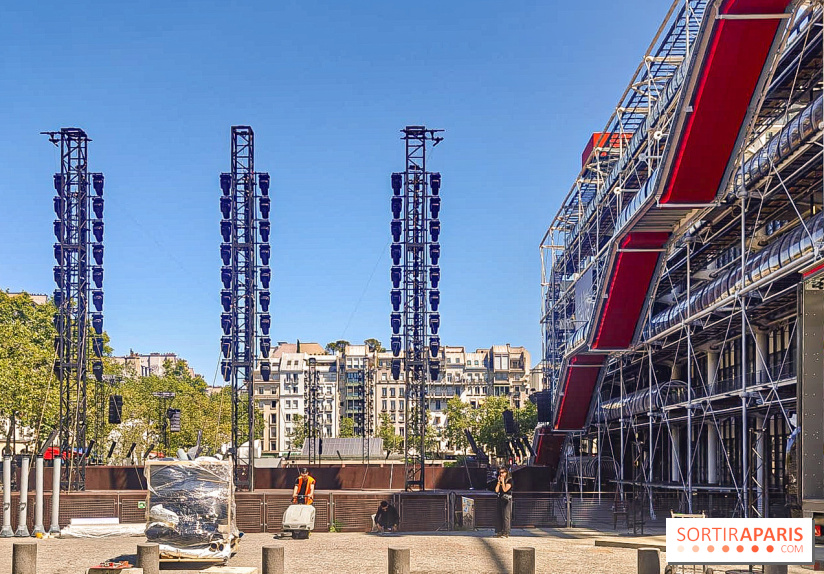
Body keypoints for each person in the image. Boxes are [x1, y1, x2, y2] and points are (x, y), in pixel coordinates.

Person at [494, 466, 513, 537]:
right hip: (500, 498)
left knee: (506, 516)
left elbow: (505, 489)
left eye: (503, 473)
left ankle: (506, 532)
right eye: (500, 473)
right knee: (499, 515)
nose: (501, 474)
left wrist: (503, 482)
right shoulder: (500, 480)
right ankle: (499, 531)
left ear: (506, 473)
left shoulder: (509, 480)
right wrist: (499, 482)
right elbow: (496, 490)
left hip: (506, 499)